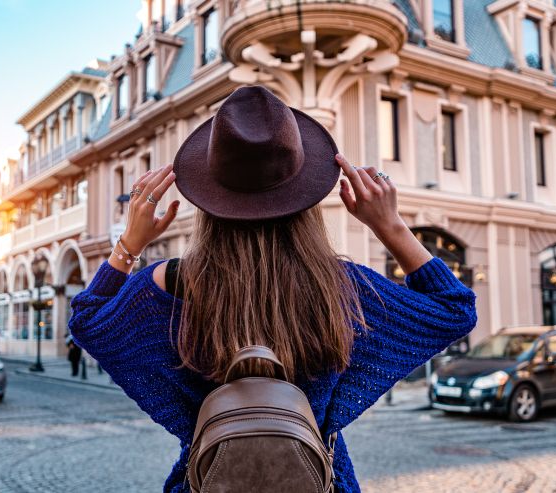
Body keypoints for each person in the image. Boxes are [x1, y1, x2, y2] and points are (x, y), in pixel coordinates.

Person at [68, 86, 477, 492]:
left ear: (209, 198)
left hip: (207, 480)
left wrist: (128, 245)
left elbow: (87, 319)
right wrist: (389, 224)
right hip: (320, 481)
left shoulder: (165, 285)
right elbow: (455, 307)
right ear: (306, 197)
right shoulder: (344, 289)